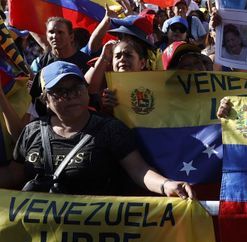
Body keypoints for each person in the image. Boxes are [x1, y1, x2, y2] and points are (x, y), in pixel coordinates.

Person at [0, 61, 195, 199]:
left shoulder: (110, 129)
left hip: (92, 240)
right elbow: (14, 174)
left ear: (87, 91)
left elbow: (139, 169)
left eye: (77, 88)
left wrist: (166, 185)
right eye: (59, 91)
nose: (71, 96)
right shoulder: (32, 131)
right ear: (45, 100)